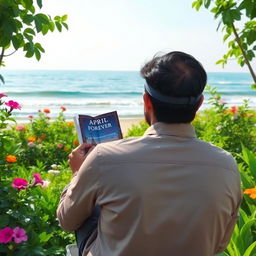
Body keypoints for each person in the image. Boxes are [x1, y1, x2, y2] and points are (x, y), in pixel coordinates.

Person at [57, 51, 242, 256]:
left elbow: (67, 220)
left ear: (147, 101)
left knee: (95, 203)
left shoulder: (104, 158)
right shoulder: (226, 164)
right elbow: (219, 244)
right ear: (199, 104)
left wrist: (77, 174)